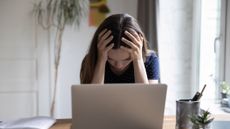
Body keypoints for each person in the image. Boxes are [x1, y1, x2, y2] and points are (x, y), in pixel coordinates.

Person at [80, 13, 159, 84]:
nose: (119, 66)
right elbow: (92, 98)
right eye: (110, 58)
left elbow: (146, 98)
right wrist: (101, 61)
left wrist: (138, 60)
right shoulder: (90, 61)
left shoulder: (150, 60)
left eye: (127, 59)